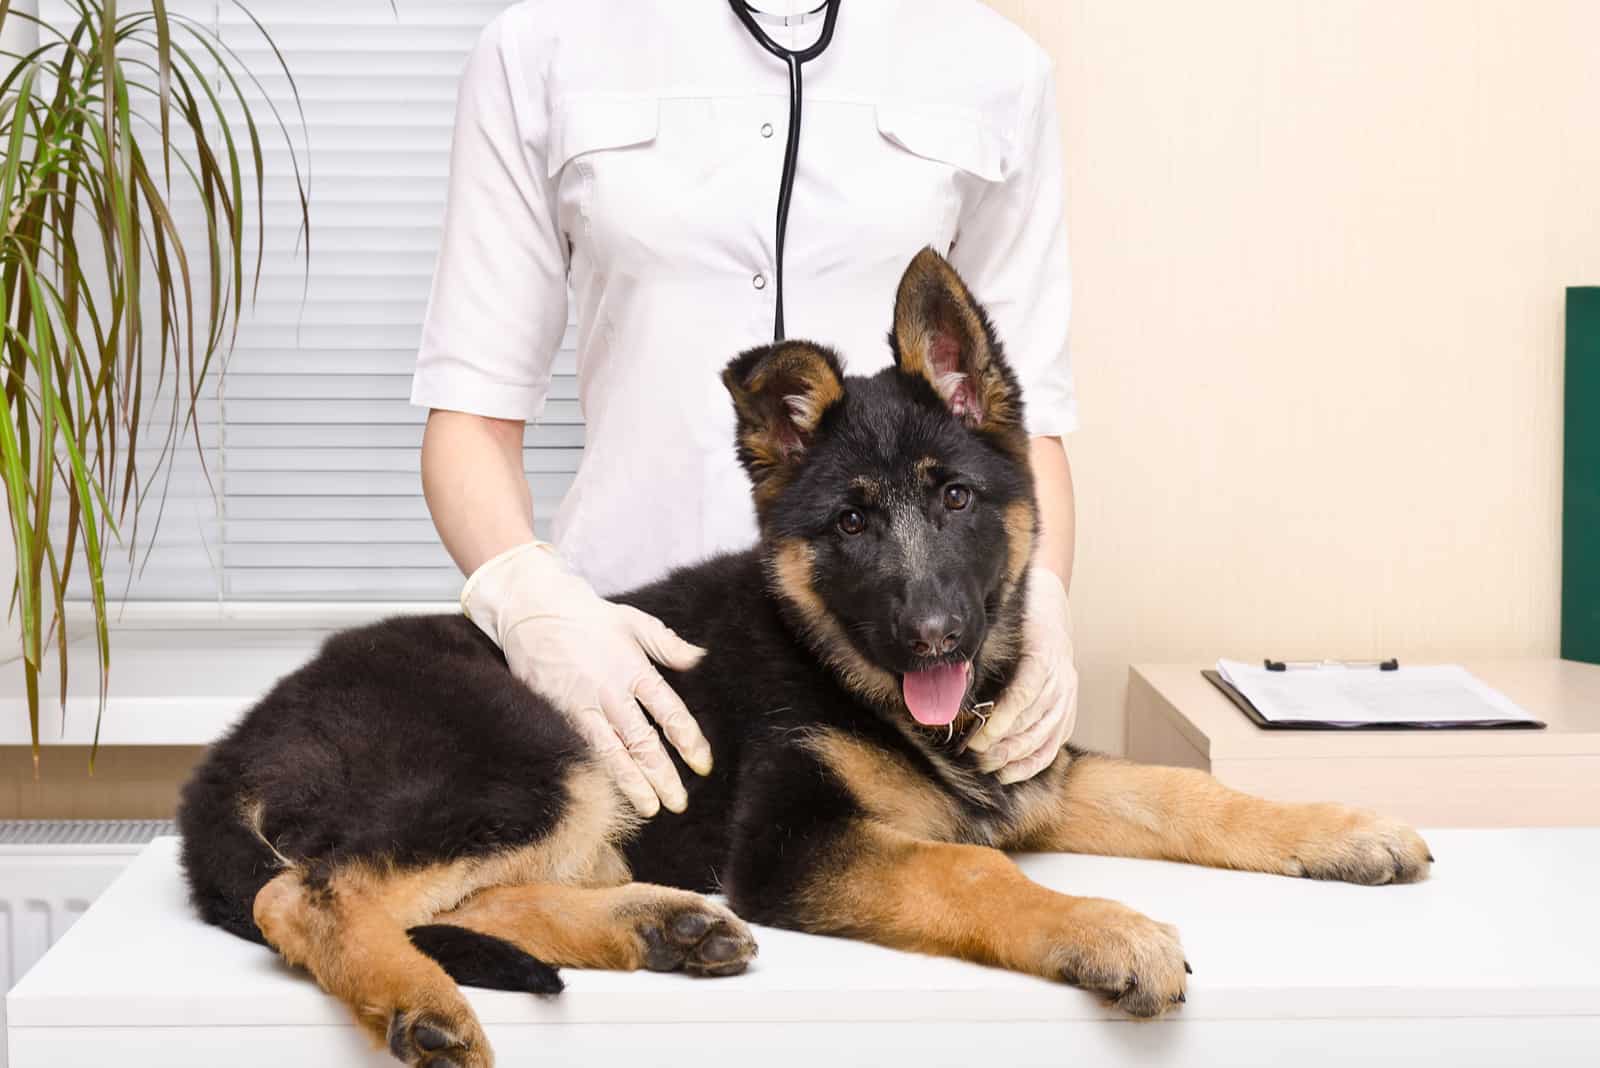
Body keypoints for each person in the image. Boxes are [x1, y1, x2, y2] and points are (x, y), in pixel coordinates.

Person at [411, 0, 1080, 818]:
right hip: (628, 657)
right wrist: (532, 605)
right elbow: (472, 414)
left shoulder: (996, 67)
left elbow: (1018, 423)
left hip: (891, 680)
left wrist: (1044, 604)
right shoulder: (539, 47)